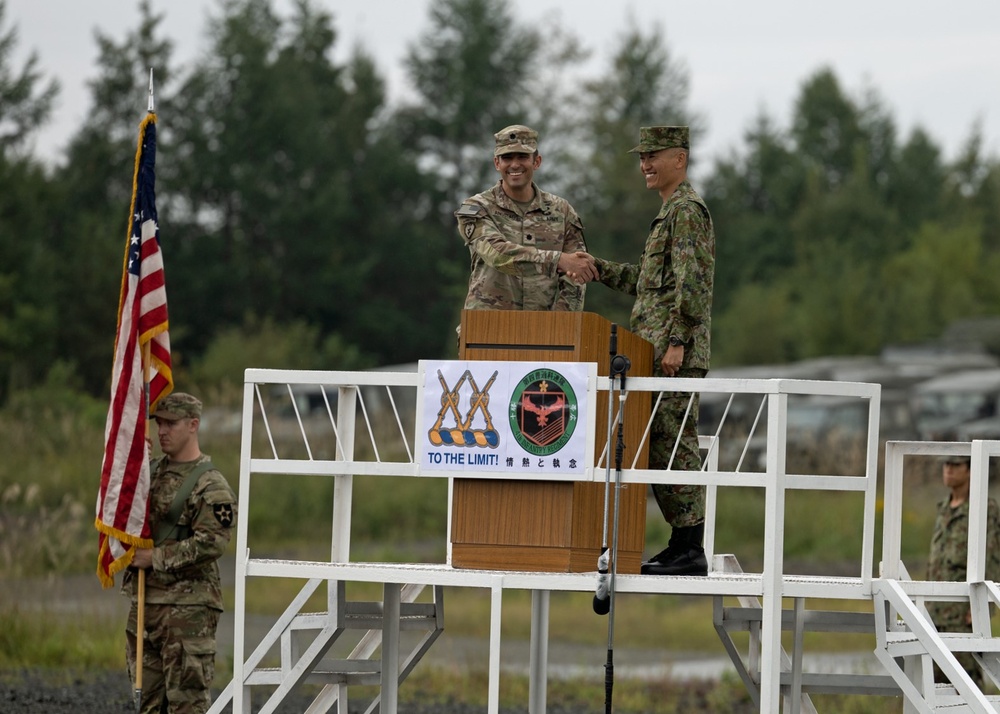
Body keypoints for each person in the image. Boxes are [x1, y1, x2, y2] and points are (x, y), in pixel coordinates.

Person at [571, 126, 715, 576]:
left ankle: (690, 548)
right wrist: (600, 270)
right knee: (658, 446)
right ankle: (681, 544)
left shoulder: (687, 211)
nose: (645, 165)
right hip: (655, 353)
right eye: (641, 157)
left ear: (680, 159)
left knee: (674, 446)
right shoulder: (669, 213)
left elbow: (693, 282)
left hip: (674, 357)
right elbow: (650, 286)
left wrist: (677, 342)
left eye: (654, 155)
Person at [122, 392, 237, 713]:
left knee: (186, 705)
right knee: (146, 704)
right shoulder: (151, 473)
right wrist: (135, 469)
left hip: (188, 613)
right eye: (159, 424)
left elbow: (212, 542)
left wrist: (155, 559)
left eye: (171, 424)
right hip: (146, 607)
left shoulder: (211, 485)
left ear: (193, 425)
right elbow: (123, 511)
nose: (162, 431)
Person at [455, 124, 597, 316]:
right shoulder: (475, 208)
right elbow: (497, 254)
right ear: (497, 163)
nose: (514, 165)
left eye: (522, 157)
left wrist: (561, 325)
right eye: (507, 158)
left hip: (542, 331)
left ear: (536, 161)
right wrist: (557, 260)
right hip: (486, 329)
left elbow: (576, 274)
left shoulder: (562, 211)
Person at [926, 454, 1000, 687]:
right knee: (934, 684)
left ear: (969, 470)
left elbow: (992, 553)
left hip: (962, 611)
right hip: (935, 609)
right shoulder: (944, 508)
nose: (948, 469)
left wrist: (983, 603)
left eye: (955, 465)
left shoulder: (982, 508)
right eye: (946, 464)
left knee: (965, 682)